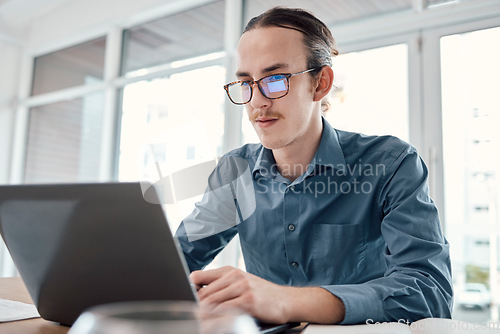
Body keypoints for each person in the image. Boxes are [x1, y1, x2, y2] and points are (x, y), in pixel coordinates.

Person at [174, 6, 453, 325]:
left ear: (320, 83)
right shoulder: (234, 171)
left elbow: (430, 293)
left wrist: (285, 300)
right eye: (246, 83)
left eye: (275, 80)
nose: (256, 102)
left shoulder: (390, 163)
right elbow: (175, 261)